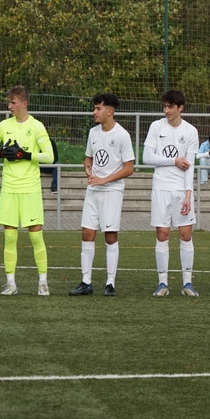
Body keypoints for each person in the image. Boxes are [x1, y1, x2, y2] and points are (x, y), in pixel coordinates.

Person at [0, 85, 54, 296]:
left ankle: (43, 282)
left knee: (36, 237)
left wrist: (25, 155)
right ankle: (11, 283)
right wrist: (0, 153)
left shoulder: (37, 126)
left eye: (13, 102)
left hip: (30, 189)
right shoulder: (3, 126)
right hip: (9, 188)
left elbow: (49, 157)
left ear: (24, 103)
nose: (9, 106)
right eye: (9, 102)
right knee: (10, 237)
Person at [69, 93, 135, 297]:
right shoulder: (93, 133)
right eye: (95, 108)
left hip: (112, 191)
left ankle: (110, 283)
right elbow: (88, 158)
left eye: (98, 108)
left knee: (110, 235)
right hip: (93, 190)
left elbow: (129, 168)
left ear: (110, 111)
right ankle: (86, 282)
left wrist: (105, 180)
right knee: (87, 233)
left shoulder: (122, 135)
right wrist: (88, 168)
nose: (94, 112)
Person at [143, 89, 200, 297]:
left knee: (185, 234)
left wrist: (188, 194)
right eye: (164, 106)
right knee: (162, 233)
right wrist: (173, 160)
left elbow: (190, 166)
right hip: (160, 187)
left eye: (170, 107)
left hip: (180, 190)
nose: (166, 110)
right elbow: (147, 157)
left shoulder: (190, 131)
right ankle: (163, 283)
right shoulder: (156, 127)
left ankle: (187, 283)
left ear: (180, 108)